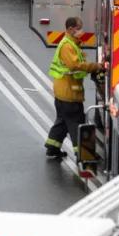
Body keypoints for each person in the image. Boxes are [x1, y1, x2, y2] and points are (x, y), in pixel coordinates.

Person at [45, 16, 104, 159]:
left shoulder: (72, 43)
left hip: (64, 92)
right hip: (69, 93)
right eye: (79, 28)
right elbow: (75, 65)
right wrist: (96, 66)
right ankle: (85, 155)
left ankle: (52, 147)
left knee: (62, 122)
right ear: (70, 29)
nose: (81, 31)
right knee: (78, 123)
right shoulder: (67, 46)